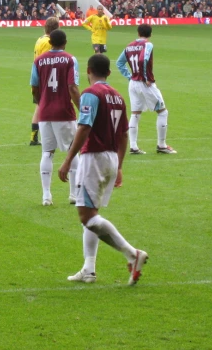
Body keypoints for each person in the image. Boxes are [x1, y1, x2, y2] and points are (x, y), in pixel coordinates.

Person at [58, 54, 148, 285]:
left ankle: (132, 253)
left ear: (88, 70)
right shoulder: (118, 96)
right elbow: (125, 134)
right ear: (108, 72)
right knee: (91, 212)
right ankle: (89, 269)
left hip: (94, 158)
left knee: (86, 216)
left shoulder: (90, 94)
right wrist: (119, 165)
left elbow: (85, 127)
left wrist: (68, 159)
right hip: (110, 157)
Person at [31, 29, 80, 206]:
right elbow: (72, 87)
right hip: (64, 112)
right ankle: (74, 194)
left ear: (50, 42)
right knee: (73, 151)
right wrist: (82, 107)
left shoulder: (38, 61)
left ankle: (46, 196)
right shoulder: (70, 59)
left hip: (45, 112)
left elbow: (34, 87)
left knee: (47, 152)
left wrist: (41, 101)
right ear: (65, 42)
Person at [116, 24, 176, 155]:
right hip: (145, 83)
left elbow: (119, 63)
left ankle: (133, 146)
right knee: (162, 112)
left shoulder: (129, 46)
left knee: (135, 113)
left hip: (133, 83)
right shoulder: (148, 45)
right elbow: (143, 58)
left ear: (138, 33)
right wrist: (145, 77)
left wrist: (130, 76)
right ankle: (162, 145)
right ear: (150, 34)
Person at [30, 17, 60, 146]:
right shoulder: (49, 42)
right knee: (48, 107)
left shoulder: (40, 39)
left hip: (38, 77)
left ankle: (34, 137)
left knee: (39, 107)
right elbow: (48, 61)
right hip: (46, 79)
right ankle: (50, 135)